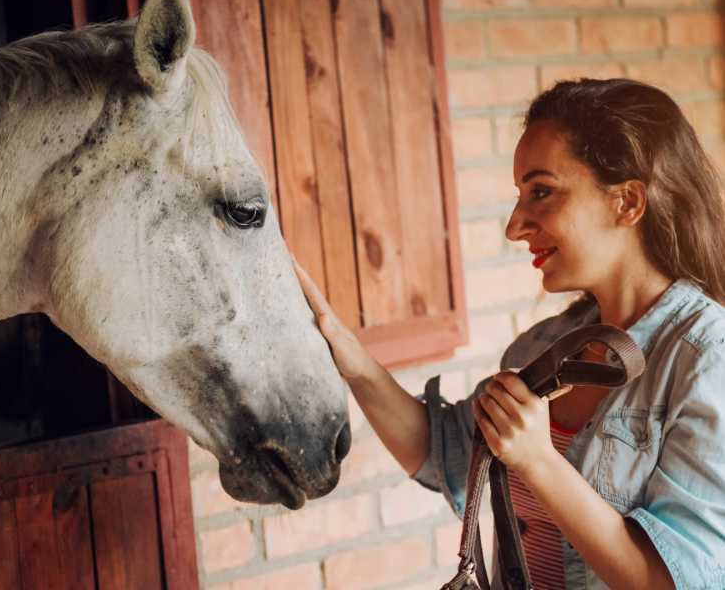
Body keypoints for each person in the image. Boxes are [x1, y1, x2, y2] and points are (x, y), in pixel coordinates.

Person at [294, 78, 725, 590]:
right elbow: (443, 454)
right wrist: (347, 352)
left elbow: (682, 581)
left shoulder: (707, 357)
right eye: (521, 197)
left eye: (541, 192)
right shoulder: (542, 348)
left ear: (627, 202)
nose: (515, 226)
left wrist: (539, 461)